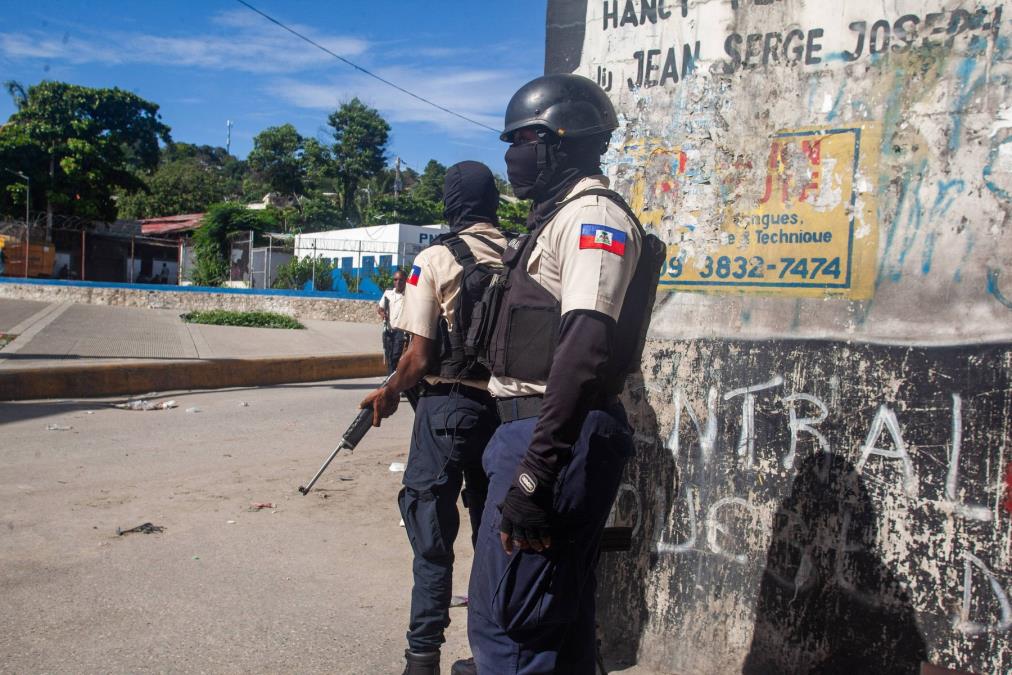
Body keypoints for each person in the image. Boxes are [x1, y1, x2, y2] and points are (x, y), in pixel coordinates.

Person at [466, 73, 648, 674]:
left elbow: (585, 348)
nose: (512, 156)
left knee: (512, 627)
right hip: (539, 432)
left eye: (525, 140)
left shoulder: (594, 218)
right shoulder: (558, 218)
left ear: (564, 141)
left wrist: (535, 475)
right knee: (558, 627)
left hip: (551, 436)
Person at [360, 161, 508, 675]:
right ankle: (491, 655)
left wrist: (389, 390)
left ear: (451, 203)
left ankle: (422, 657)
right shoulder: (520, 254)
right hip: (505, 413)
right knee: (494, 537)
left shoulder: (436, 257)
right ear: (492, 201)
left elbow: (418, 357)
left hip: (445, 409)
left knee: (431, 536)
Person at [378, 269, 408, 374]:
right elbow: (380, 308)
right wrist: (383, 313)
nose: (398, 282)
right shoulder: (388, 293)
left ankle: (392, 379)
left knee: (395, 356)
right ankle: (391, 378)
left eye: (401, 280)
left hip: (401, 331)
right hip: (388, 330)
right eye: (395, 279)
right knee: (389, 356)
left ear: (405, 281)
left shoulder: (409, 295)